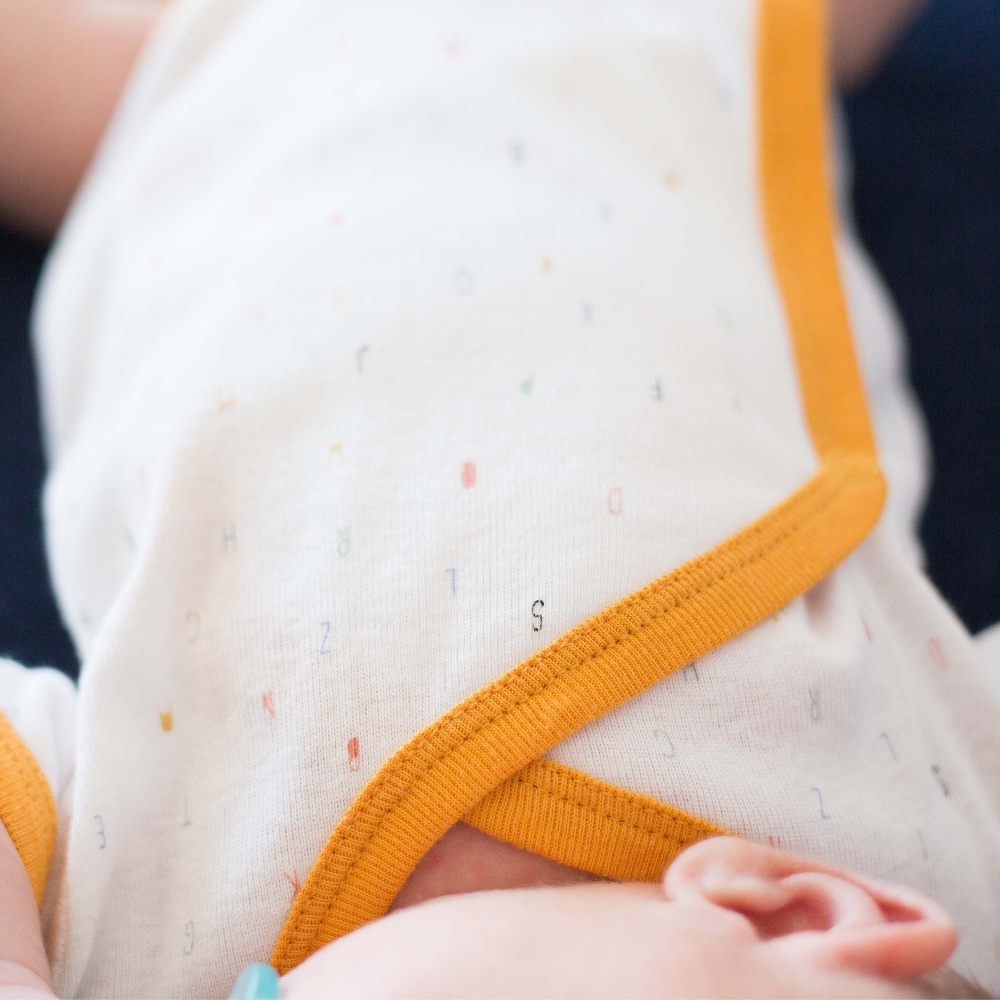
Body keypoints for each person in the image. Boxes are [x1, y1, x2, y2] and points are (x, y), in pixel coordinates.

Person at [1, 0, 997, 996]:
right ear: (792, 915)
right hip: (648, 52)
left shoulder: (144, 938)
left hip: (187, 107)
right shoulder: (936, 846)